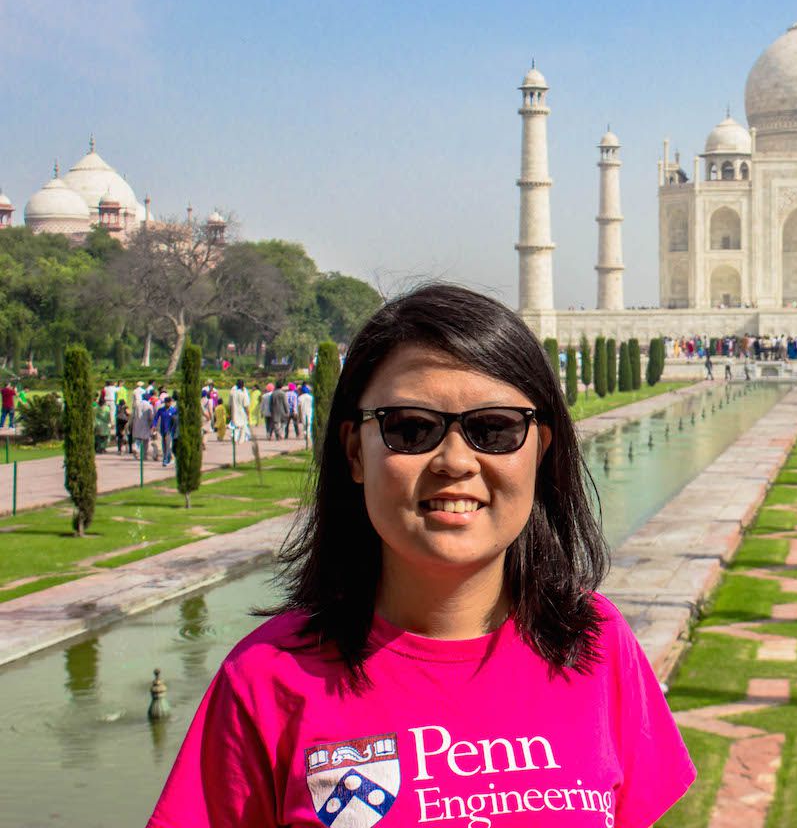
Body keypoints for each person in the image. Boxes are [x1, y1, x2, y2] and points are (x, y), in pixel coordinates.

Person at [147, 285, 695, 827]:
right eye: (410, 429)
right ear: (355, 452)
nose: (455, 461)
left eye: (495, 429)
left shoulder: (594, 643)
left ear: (540, 452)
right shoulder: (267, 681)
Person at [156, 397, 179, 467]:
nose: (168, 404)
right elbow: (156, 418)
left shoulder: (173, 410)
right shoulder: (161, 410)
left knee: (167, 444)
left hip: (170, 430)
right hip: (163, 430)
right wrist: (153, 426)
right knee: (164, 445)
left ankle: (165, 459)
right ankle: (168, 457)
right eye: (167, 402)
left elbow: (176, 420)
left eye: (169, 402)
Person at [132, 392, 155, 461]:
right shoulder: (149, 406)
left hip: (137, 424)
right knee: (146, 441)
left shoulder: (137, 405)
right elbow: (151, 417)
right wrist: (152, 425)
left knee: (138, 439)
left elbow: (133, 415)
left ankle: (136, 449)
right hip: (145, 425)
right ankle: (144, 455)